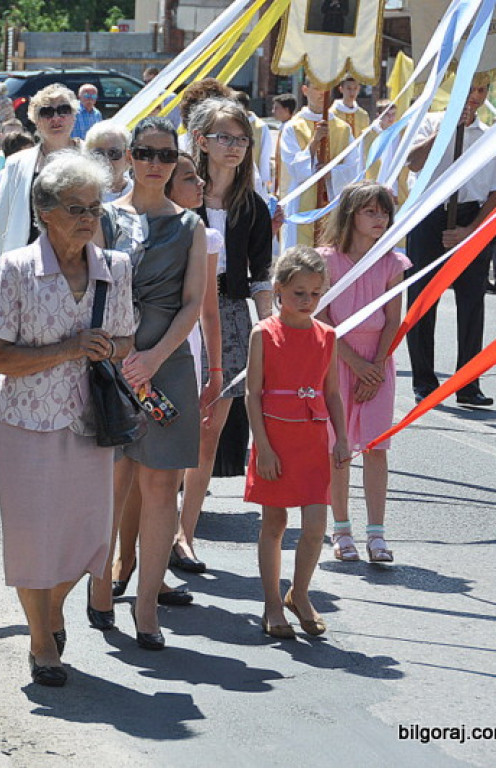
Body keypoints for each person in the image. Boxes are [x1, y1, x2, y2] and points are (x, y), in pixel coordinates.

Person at [0, 152, 134, 686]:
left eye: (95, 207)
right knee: (32, 538)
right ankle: (41, 640)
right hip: (25, 422)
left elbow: (126, 338)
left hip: (91, 423)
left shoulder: (116, 269)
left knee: (87, 536)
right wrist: (69, 348)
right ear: (45, 212)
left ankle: (52, 609)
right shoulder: (16, 269)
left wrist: (107, 347)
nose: (88, 218)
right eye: (75, 208)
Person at [91, 116, 207, 649]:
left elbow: (193, 304)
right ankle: (100, 585)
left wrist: (155, 357)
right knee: (113, 481)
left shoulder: (190, 226)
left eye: (166, 155)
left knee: (162, 487)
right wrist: (118, 356)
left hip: (167, 367)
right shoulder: (104, 217)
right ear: (130, 157)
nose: (155, 164)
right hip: (113, 366)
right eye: (146, 153)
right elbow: (88, 289)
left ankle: (146, 606)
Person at [107, 149, 221, 607]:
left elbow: (206, 308)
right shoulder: (118, 222)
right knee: (124, 475)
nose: (198, 184)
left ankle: (152, 584)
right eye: (189, 177)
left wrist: (214, 368)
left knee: (158, 480)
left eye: (191, 173)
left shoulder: (197, 230)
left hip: (174, 357)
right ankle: (119, 565)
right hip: (127, 360)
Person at [174, 97, 273, 571]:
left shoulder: (252, 207)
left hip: (229, 317)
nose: (234, 147)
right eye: (224, 138)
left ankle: (184, 534)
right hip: (176, 311)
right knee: (167, 423)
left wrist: (270, 329)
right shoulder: (179, 194)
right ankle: (146, 526)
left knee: (209, 432)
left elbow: (261, 276)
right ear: (200, 140)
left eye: (241, 139)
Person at [245, 245, 348, 639]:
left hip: (312, 441)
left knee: (315, 525)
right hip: (275, 440)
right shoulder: (264, 334)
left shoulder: (327, 336)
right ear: (279, 290)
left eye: (315, 293)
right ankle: (272, 603)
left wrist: (342, 439)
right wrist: (263, 448)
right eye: (299, 293)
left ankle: (299, 593)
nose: (308, 301)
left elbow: (333, 393)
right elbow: (253, 394)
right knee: (274, 523)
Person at [318, 182, 409, 563]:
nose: (379, 219)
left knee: (376, 447)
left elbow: (394, 319)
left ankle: (377, 533)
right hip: (337, 359)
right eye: (370, 211)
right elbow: (321, 317)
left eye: (384, 212)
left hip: (377, 362)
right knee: (338, 448)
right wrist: (355, 364)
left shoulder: (393, 263)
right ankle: (341, 529)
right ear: (350, 215)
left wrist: (376, 367)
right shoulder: (326, 261)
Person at [404, 71, 496, 407]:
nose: (475, 97)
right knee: (422, 297)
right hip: (430, 214)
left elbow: (494, 192)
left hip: (471, 218)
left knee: (472, 301)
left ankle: (467, 383)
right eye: (470, 89)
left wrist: (470, 231)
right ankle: (424, 381)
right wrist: (446, 131)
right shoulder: (430, 122)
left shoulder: (489, 136)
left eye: (482, 90)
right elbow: (413, 162)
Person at [0, 84, 79, 267]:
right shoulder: (16, 163)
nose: (56, 118)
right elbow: (0, 219)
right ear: (35, 120)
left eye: (64, 110)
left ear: (74, 116)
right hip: (27, 263)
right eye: (46, 112)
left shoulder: (91, 158)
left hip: (77, 263)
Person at [277, 79, 361, 248]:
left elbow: (354, 166)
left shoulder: (343, 128)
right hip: (302, 203)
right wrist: (314, 142)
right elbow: (294, 168)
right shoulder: (293, 127)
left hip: (333, 202)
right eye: (317, 88)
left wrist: (332, 173)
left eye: (326, 89)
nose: (322, 93)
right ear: (305, 90)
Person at [235, 90, 273, 198]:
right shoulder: (231, 124)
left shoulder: (260, 127)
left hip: (253, 179)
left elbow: (265, 155)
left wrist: (263, 181)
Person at [85, 121, 133, 202]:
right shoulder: (83, 195)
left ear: (127, 157)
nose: (106, 160)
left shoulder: (138, 191)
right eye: (98, 154)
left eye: (113, 153)